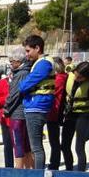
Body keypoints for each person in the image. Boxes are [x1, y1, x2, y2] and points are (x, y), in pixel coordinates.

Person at [18, 35, 55, 169]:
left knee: (36, 147)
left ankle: (39, 176)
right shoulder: (41, 62)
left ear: (37, 48)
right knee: (35, 145)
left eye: (28, 51)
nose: (27, 54)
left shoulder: (43, 63)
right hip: (36, 105)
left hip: (37, 106)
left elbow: (24, 86)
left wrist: (23, 85)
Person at [4, 47, 33, 169]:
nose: (10, 63)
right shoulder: (26, 72)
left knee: (18, 144)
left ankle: (19, 171)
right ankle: (30, 171)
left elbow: (14, 94)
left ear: (18, 61)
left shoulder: (20, 74)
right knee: (26, 145)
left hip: (17, 113)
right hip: (24, 112)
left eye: (12, 61)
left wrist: (6, 108)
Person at [46, 57, 67, 171]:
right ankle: (54, 161)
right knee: (54, 139)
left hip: (54, 111)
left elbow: (52, 92)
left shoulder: (59, 79)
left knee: (54, 140)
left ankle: (54, 163)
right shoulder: (63, 77)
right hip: (54, 111)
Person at [0, 71, 14, 168]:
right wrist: (9, 98)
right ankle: (9, 166)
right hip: (5, 119)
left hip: (18, 117)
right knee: (7, 145)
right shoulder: (2, 83)